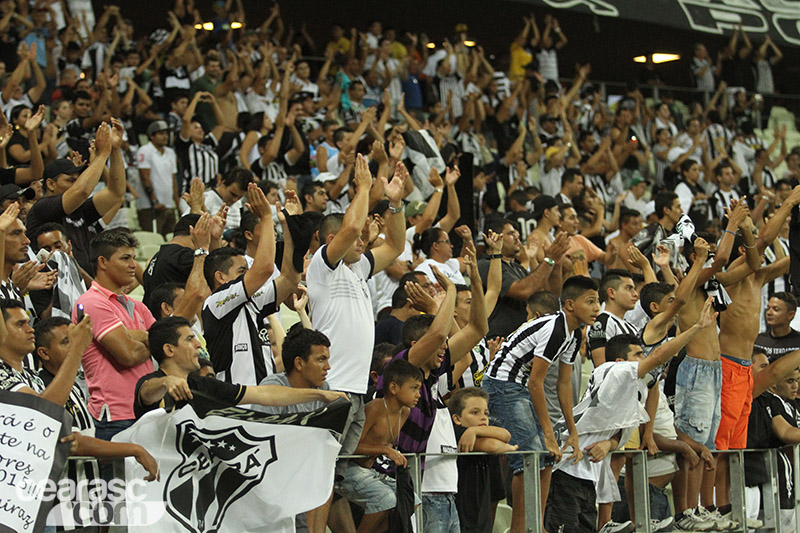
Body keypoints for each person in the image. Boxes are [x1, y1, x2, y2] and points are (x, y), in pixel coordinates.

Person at [546, 301, 716, 533]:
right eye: (637, 354)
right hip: (567, 469)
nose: (641, 359)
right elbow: (657, 357)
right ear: (620, 361)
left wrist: (609, 443)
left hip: (588, 474)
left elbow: (618, 435)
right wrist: (696, 328)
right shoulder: (612, 370)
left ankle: (606, 524)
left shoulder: (634, 389)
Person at [306, 155, 406, 489]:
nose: (363, 241)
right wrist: (363, 188)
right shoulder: (323, 268)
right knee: (317, 473)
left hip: (356, 390)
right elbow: (350, 228)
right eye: (358, 238)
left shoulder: (358, 268)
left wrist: (395, 204)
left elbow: (395, 245)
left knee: (334, 479)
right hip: (330, 387)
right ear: (332, 241)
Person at [483, 276, 599, 533]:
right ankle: (520, 529)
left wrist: (573, 432)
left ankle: (537, 526)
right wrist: (548, 433)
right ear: (569, 304)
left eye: (598, 301)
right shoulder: (555, 328)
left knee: (547, 457)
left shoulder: (574, 334)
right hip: (501, 384)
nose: (597, 308)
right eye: (590, 301)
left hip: (519, 386)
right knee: (531, 458)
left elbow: (564, 385)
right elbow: (537, 383)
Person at [134, 317, 345, 418]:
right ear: (169, 350)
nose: (198, 344)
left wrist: (320, 395)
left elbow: (266, 395)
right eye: (190, 339)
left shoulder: (204, 385)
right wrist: (166, 382)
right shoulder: (150, 383)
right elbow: (147, 393)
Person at [201, 183, 300, 385]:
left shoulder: (253, 302)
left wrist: (289, 225)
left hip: (265, 402)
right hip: (235, 405)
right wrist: (266, 218)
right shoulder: (216, 303)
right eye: (242, 271)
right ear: (220, 277)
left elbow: (290, 278)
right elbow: (265, 269)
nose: (248, 276)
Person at [74, 228, 154, 443]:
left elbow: (167, 345)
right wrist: (149, 338)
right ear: (103, 262)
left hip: (147, 411)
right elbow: (127, 355)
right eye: (125, 258)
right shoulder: (91, 302)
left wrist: (141, 337)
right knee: (117, 478)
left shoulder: (137, 306)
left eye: (134, 258)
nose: (133, 266)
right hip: (115, 417)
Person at [26, 120, 126, 272]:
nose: (76, 184)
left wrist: (115, 150)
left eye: (77, 179)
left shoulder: (79, 209)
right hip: (54, 286)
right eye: (70, 180)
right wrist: (102, 154)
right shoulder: (42, 208)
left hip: (81, 284)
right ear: (51, 184)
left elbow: (115, 193)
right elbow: (82, 191)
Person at [339, 359, 422, 533]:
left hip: (371, 471)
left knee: (412, 500)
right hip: (349, 469)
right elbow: (351, 447)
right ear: (393, 388)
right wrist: (384, 450)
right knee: (385, 499)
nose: (418, 394)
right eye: (414, 388)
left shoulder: (405, 412)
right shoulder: (375, 408)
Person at [448, 387, 516, 533]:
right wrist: (506, 447)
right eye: (475, 412)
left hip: (481, 514)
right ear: (457, 418)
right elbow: (493, 446)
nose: (483, 417)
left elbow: (506, 435)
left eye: (486, 413)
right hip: (461, 513)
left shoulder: (474, 432)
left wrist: (475, 430)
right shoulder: (456, 432)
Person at [588, 269, 639, 367]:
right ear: (611, 293)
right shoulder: (602, 322)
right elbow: (602, 367)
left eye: (634, 289)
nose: (635, 294)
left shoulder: (632, 327)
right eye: (629, 288)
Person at [137, 119, 178, 237]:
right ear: (151, 136)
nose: (165, 136)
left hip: (168, 205)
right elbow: (145, 177)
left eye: (166, 133)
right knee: (153, 240)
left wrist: (177, 203)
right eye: (161, 133)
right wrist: (154, 201)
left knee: (172, 240)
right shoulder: (145, 151)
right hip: (150, 207)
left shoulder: (170, 152)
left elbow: (173, 180)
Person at [754, 292, 800, 362]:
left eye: (776, 309)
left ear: (791, 315)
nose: (769, 312)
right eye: (768, 308)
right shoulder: (757, 342)